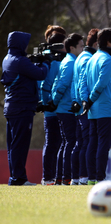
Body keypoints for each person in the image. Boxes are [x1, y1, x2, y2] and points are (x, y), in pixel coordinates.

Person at [1, 31, 49, 185]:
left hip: (12, 107)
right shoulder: (20, 61)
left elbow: (25, 73)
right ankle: (19, 178)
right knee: (20, 145)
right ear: (20, 44)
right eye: (25, 43)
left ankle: (15, 177)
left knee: (13, 145)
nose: (27, 46)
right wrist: (46, 62)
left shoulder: (8, 58)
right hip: (22, 107)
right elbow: (41, 74)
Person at [80, 28, 111, 184]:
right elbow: (102, 82)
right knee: (103, 143)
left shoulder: (91, 58)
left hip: (92, 108)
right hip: (104, 107)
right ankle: (100, 178)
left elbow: (82, 82)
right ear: (109, 42)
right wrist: (90, 99)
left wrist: (85, 100)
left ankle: (91, 178)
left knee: (92, 142)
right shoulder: (108, 59)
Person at [52, 33, 84, 185]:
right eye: (81, 46)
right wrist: (56, 101)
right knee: (71, 142)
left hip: (63, 107)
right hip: (66, 108)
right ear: (72, 47)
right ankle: (66, 178)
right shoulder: (71, 62)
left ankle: (61, 177)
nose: (83, 49)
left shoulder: (68, 60)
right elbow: (63, 84)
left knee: (66, 143)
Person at [72, 28, 99, 185]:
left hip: (80, 107)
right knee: (87, 142)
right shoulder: (88, 58)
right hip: (86, 107)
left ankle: (77, 177)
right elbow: (83, 83)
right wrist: (85, 102)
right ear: (96, 43)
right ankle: (84, 176)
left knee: (81, 143)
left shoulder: (81, 56)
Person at [40, 31, 66, 185]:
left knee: (54, 143)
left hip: (54, 109)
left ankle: (52, 177)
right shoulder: (55, 62)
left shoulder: (49, 60)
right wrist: (49, 104)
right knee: (52, 144)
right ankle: (48, 178)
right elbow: (46, 85)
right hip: (54, 110)